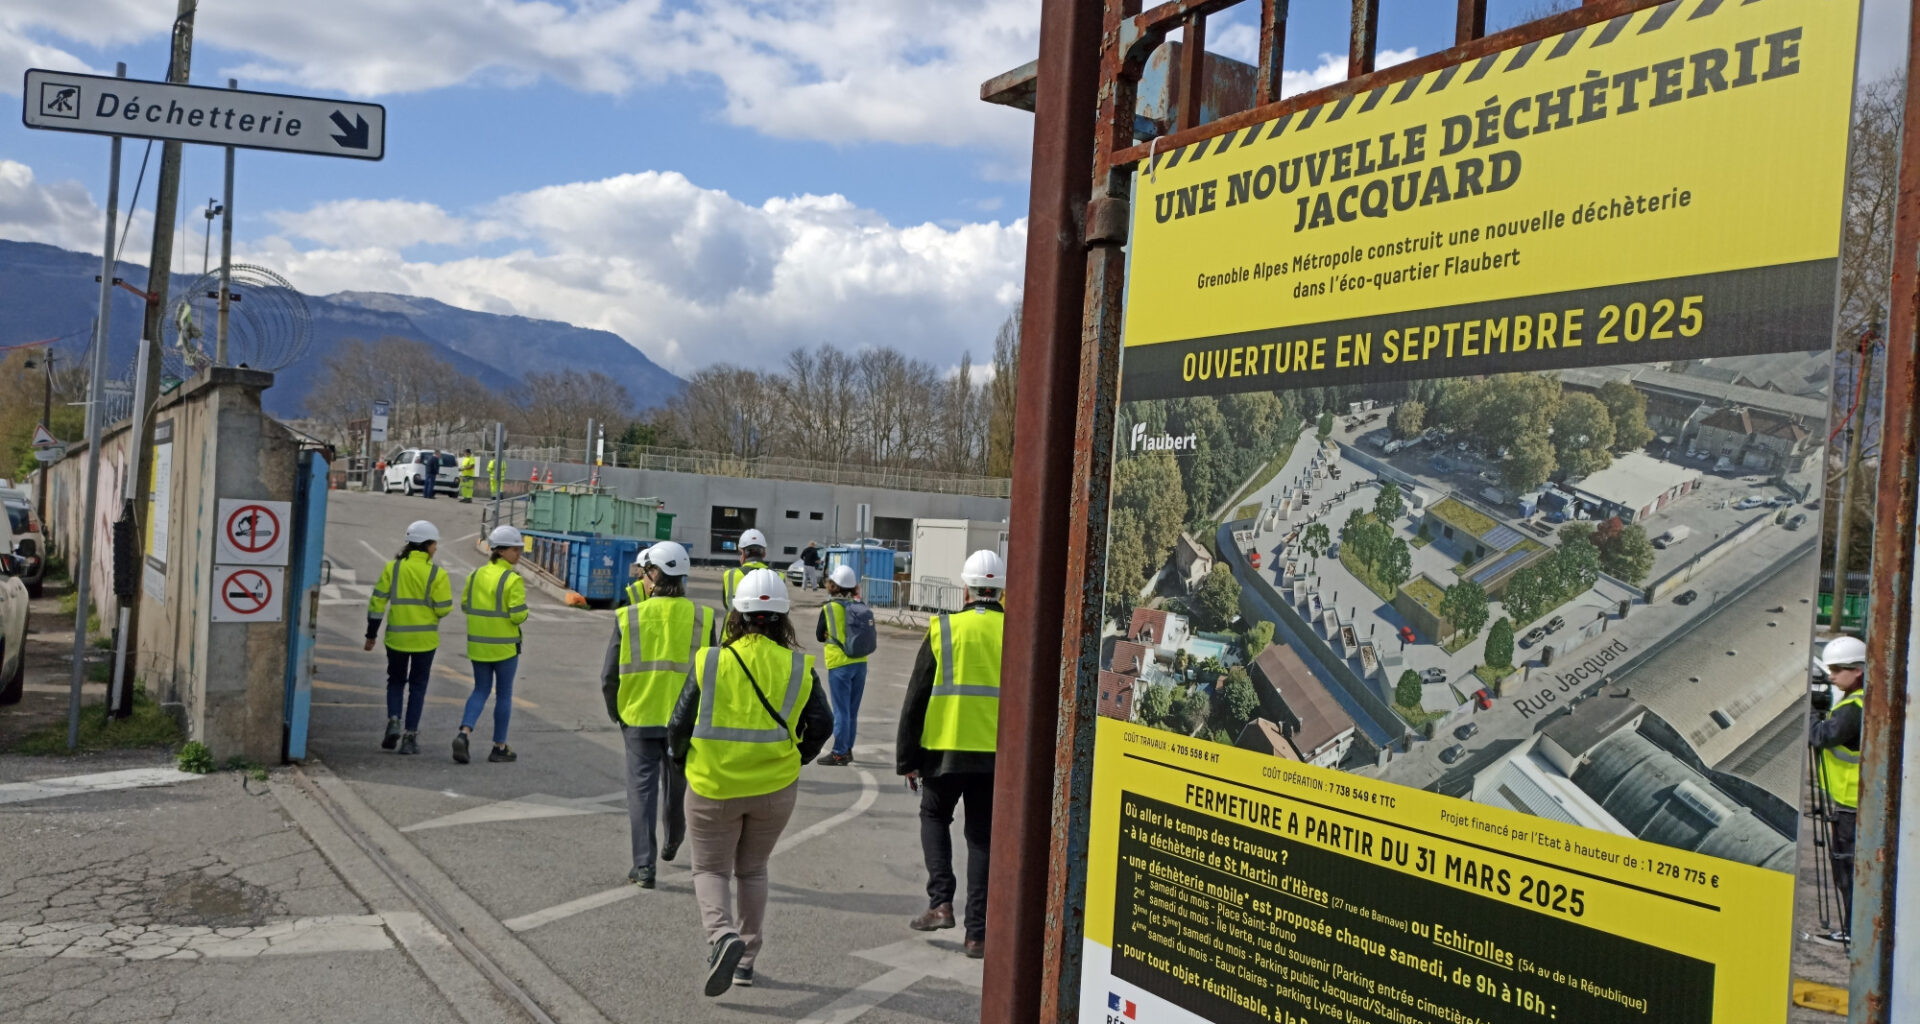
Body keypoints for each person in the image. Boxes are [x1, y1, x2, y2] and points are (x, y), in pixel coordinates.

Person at [668, 568, 832, 996]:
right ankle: (746, 961)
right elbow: (822, 723)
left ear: (737, 614)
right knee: (753, 870)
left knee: (709, 869)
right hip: (775, 790)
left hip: (712, 786)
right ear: (783, 617)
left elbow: (678, 725)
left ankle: (722, 936)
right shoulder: (799, 666)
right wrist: (797, 759)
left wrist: (682, 759)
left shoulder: (711, 660)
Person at [896, 549, 1004, 960]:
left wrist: (907, 757)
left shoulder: (943, 629)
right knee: (981, 839)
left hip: (943, 751)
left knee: (935, 816)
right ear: (1000, 589)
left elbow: (916, 696)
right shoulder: (1014, 629)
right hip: (994, 755)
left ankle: (940, 903)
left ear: (966, 588)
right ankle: (977, 934)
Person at [604, 540, 715, 889]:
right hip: (685, 723)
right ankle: (673, 840)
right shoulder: (704, 617)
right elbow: (713, 674)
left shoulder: (630, 617)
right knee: (677, 786)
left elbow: (609, 675)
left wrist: (617, 712)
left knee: (641, 792)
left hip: (638, 716)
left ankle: (644, 866)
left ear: (654, 573)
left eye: (644, 572)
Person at [365, 520, 454, 755]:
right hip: (425, 641)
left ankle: (394, 720)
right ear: (427, 545)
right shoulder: (437, 573)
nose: (436, 548)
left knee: (395, 681)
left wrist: (371, 633)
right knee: (418, 687)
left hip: (396, 638)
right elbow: (444, 608)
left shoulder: (393, 568)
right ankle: (410, 736)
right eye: (434, 544)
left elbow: (377, 602)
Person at [455, 525, 530, 764]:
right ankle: (499, 746)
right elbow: (518, 615)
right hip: (505, 648)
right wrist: (524, 612)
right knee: (504, 695)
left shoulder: (475, 575)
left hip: (478, 646)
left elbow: (466, 605)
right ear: (500, 551)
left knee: (480, 690)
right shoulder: (512, 580)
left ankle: (464, 733)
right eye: (515, 549)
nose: (519, 553)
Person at [1811, 634, 1868, 943]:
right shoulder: (1856, 701)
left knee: (1846, 870)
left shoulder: (1853, 707)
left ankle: (1852, 931)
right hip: (1850, 802)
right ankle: (1852, 929)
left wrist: (1809, 717)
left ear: (1856, 670)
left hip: (1850, 804)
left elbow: (1822, 737)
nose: (1831, 676)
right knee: (1846, 869)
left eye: (1836, 670)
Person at [814, 565, 869, 766]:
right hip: (860, 663)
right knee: (852, 711)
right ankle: (848, 749)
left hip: (839, 665)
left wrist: (830, 634)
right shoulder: (860, 605)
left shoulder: (829, 608)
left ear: (833, 585)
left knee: (841, 710)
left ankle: (838, 752)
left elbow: (820, 636)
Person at [720, 528, 771, 610]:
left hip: (737, 621)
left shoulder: (730, 575)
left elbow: (728, 605)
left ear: (743, 553)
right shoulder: (779, 576)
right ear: (764, 553)